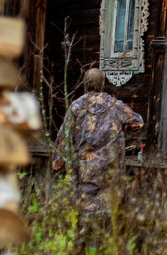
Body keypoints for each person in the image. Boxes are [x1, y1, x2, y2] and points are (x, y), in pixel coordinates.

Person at [51, 67, 143, 214]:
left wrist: (57, 163)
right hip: (109, 170)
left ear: (85, 84)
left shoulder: (76, 106)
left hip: (83, 170)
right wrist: (123, 134)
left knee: (82, 210)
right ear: (102, 84)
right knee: (108, 212)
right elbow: (137, 123)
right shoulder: (115, 105)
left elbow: (64, 136)